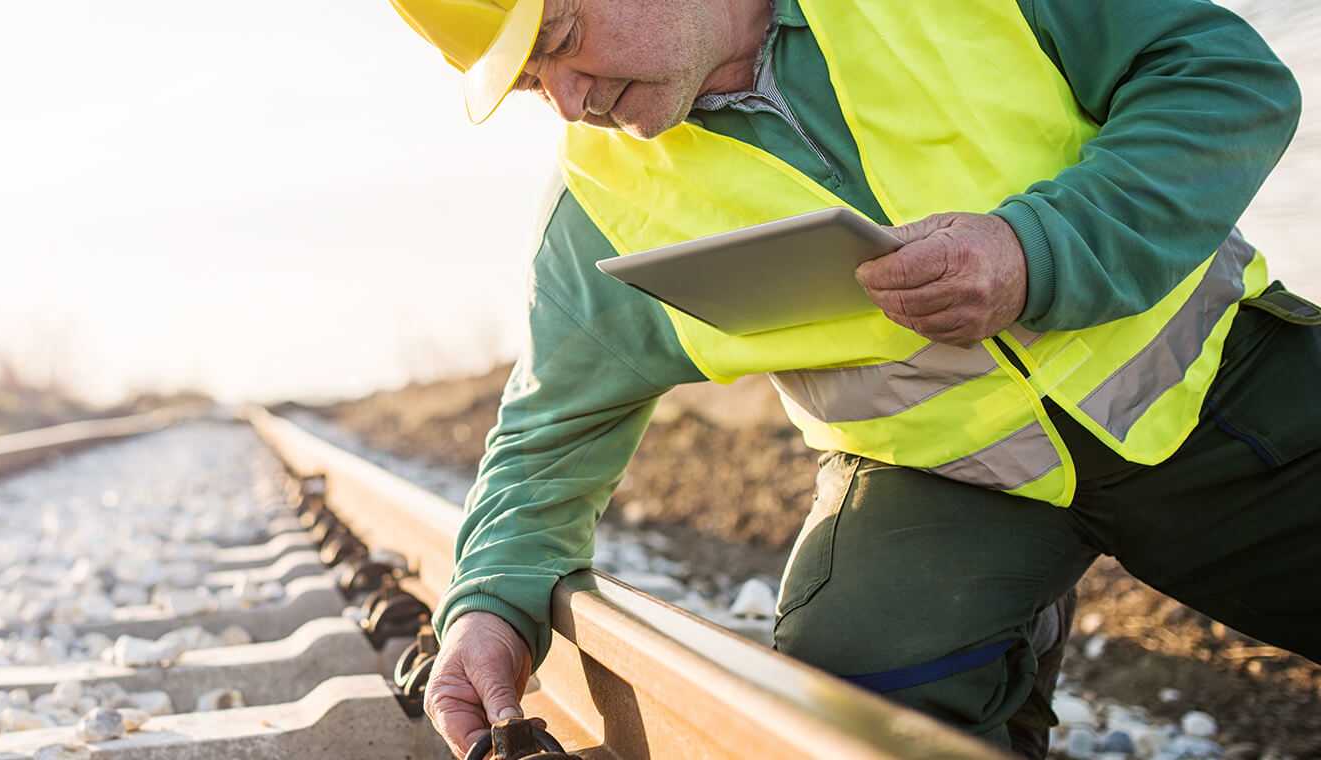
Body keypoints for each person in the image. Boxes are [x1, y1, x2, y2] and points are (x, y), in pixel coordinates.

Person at [386, 0, 1317, 757]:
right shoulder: (599, 209)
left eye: (557, 39)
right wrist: (489, 605)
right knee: (845, 702)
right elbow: (549, 432)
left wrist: (1039, 248)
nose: (568, 98)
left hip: (1219, 386)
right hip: (945, 485)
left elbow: (1223, 78)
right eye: (528, 82)